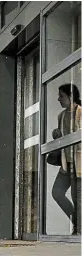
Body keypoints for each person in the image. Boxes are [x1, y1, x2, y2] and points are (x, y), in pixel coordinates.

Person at [51, 83, 81, 235]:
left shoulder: (81, 112)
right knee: (57, 192)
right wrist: (57, 136)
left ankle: (79, 229)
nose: (58, 99)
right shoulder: (61, 116)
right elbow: (63, 140)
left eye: (61, 96)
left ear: (71, 97)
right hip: (66, 162)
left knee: (77, 197)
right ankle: (78, 224)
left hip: (79, 163)